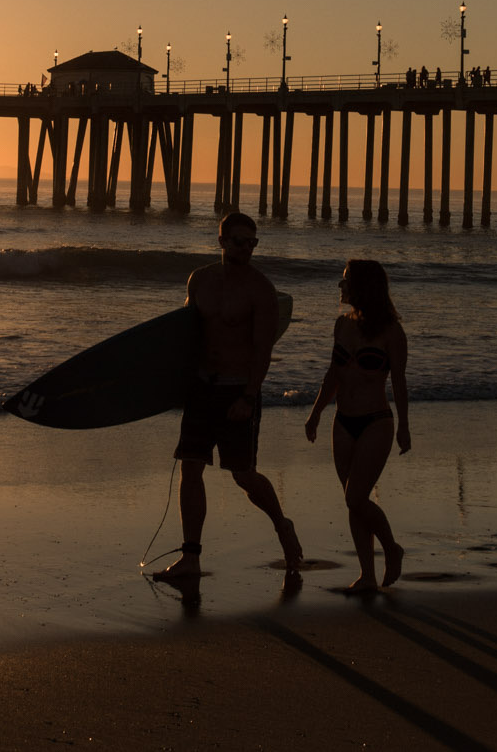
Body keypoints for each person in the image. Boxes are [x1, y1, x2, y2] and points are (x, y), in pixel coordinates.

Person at [151, 212, 303, 583]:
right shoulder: (200, 280)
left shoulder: (260, 289)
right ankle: (191, 556)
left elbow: (263, 350)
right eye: (239, 241)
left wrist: (249, 397)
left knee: (244, 475)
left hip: (238, 390)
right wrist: (176, 383)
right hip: (202, 387)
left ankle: (282, 525)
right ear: (222, 241)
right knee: (190, 468)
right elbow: (187, 335)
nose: (247, 248)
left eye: (253, 242)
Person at [304, 259, 409, 592]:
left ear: (364, 286)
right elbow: (333, 375)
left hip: (376, 421)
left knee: (355, 497)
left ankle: (392, 548)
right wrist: (316, 412)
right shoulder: (341, 325)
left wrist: (405, 426)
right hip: (343, 421)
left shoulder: (392, 331)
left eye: (346, 280)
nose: (340, 285)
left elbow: (400, 383)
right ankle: (367, 575)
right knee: (354, 500)